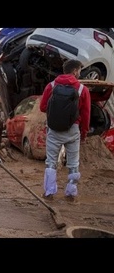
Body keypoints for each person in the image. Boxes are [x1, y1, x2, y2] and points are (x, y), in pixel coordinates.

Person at [39, 59, 91, 202]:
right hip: (73, 129)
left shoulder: (51, 86)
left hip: (54, 129)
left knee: (51, 162)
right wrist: (84, 132)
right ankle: (71, 194)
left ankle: (49, 193)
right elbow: (86, 114)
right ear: (75, 71)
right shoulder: (82, 89)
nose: (80, 73)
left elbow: (42, 107)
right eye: (79, 70)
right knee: (73, 163)